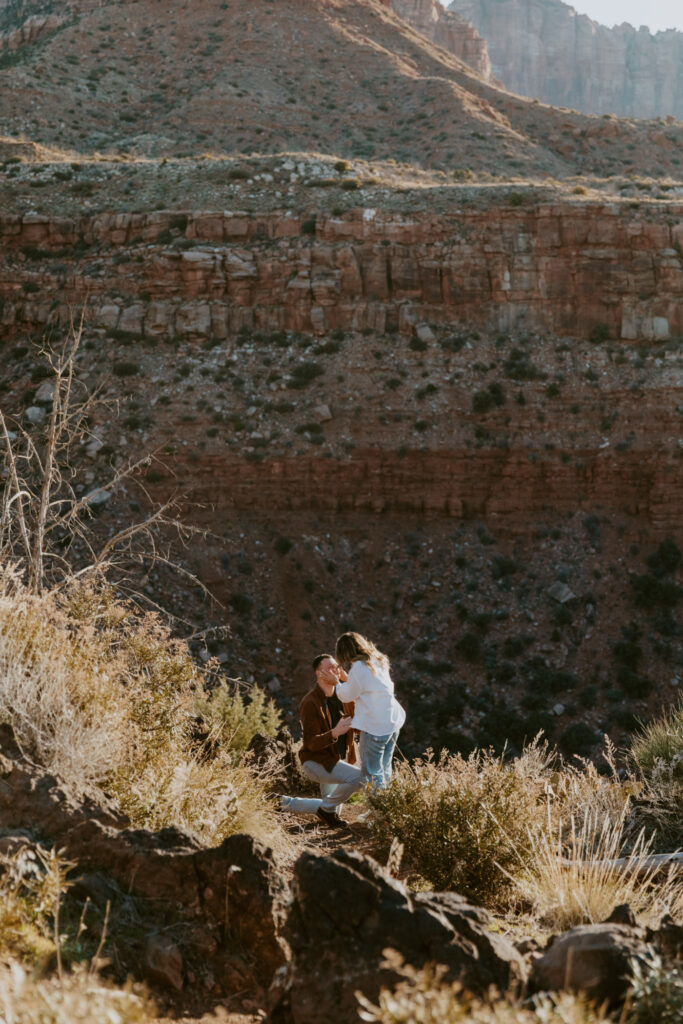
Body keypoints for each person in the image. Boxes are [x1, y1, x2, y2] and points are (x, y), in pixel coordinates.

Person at [280, 654, 361, 828]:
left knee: (332, 811)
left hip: (336, 759)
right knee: (359, 778)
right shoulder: (310, 702)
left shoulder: (342, 695)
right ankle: (323, 808)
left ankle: (282, 802)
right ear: (319, 674)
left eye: (337, 668)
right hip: (318, 762)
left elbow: (358, 719)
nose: (335, 671)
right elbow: (310, 743)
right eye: (330, 668)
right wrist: (335, 733)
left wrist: (346, 682)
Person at [333, 632, 405, 790]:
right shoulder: (377, 660)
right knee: (384, 767)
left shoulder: (358, 668)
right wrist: (348, 679)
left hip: (376, 727)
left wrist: (336, 683)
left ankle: (378, 811)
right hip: (392, 721)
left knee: (370, 774)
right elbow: (367, 686)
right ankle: (388, 804)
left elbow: (346, 696)